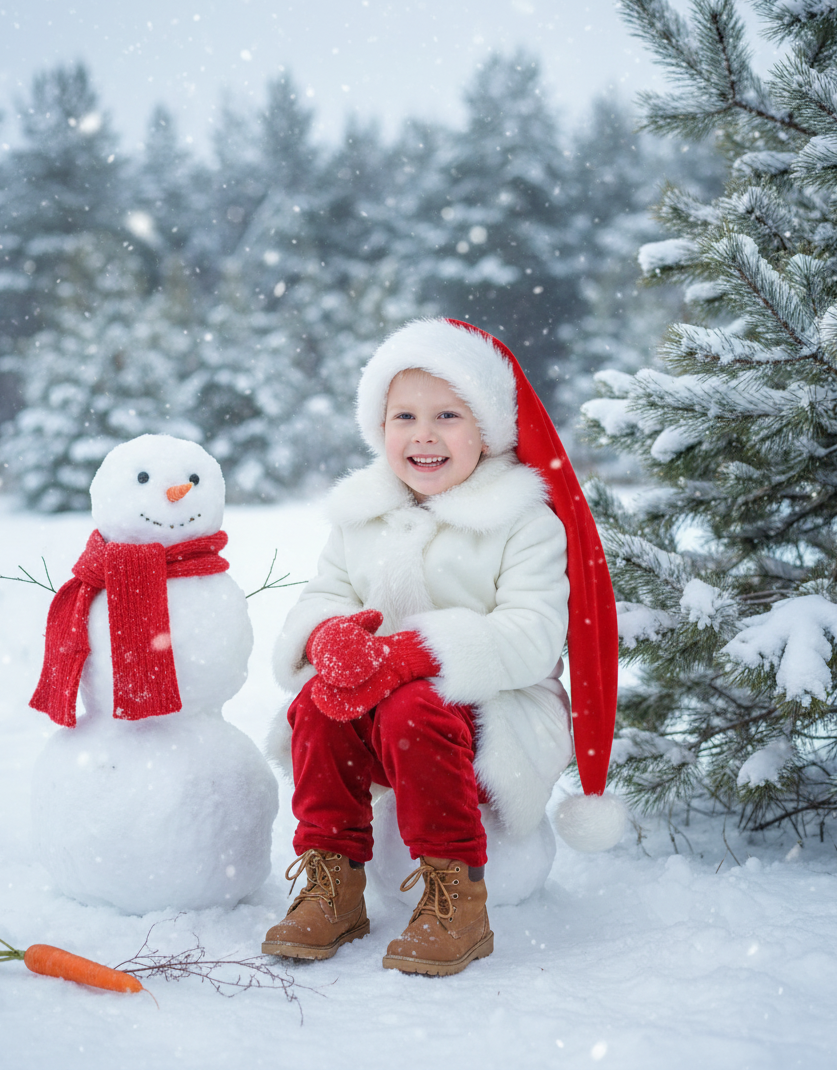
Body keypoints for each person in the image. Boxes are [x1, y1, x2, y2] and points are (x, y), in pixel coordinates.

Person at [262, 318, 623, 977]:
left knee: (413, 710)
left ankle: (454, 891)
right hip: (375, 698)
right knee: (319, 704)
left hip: (496, 706)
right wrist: (328, 634)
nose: (423, 435)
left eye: (448, 415)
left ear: (487, 429)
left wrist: (414, 654)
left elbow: (532, 633)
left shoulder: (523, 519)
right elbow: (324, 591)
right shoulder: (361, 513)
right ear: (379, 428)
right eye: (404, 416)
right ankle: (334, 879)